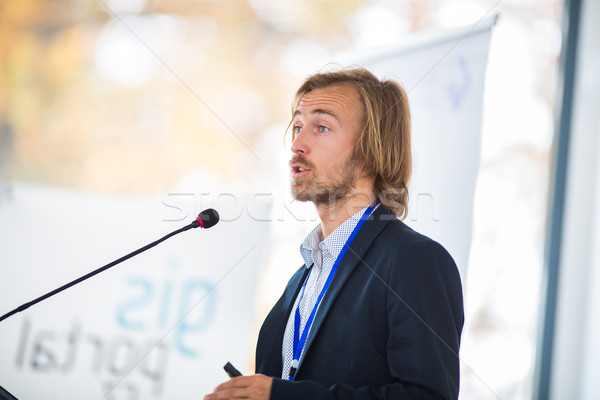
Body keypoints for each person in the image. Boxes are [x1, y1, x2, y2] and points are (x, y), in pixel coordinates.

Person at [204, 67, 464, 400]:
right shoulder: (298, 282)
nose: (297, 144)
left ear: (371, 150)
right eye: (298, 126)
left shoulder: (414, 261)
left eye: (321, 127)